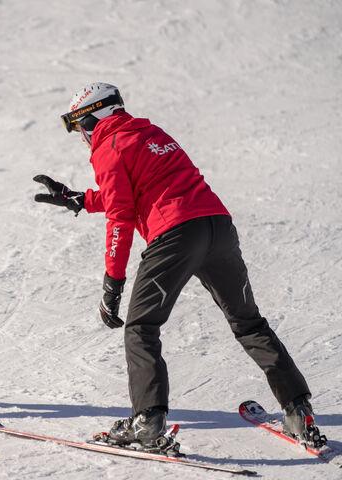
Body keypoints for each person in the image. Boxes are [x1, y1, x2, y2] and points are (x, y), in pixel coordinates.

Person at [33, 82, 325, 449]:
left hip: (174, 237)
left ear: (98, 116)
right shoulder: (149, 133)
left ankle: (147, 422)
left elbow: (121, 216)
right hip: (217, 226)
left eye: (81, 125)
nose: (82, 135)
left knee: (141, 328)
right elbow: (137, 189)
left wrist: (113, 281)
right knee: (249, 322)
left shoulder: (109, 144)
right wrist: (81, 199)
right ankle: (299, 411)